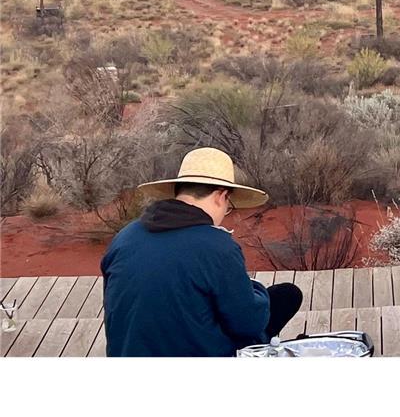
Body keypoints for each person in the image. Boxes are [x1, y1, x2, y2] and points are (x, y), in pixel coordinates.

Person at [102, 147, 302, 357]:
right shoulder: (217, 246)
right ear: (221, 196)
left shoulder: (124, 237)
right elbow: (249, 323)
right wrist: (254, 289)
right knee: (284, 297)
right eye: (229, 205)